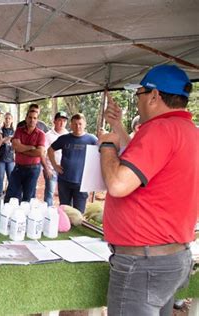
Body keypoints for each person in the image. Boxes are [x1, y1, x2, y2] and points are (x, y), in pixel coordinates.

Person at [100, 65, 197, 315]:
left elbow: (118, 184)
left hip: (143, 262)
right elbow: (148, 165)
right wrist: (119, 127)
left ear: (154, 96)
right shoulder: (189, 132)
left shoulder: (159, 130)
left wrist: (108, 147)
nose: (138, 101)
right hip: (171, 256)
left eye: (139, 94)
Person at [47, 113, 97, 212]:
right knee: (65, 210)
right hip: (64, 181)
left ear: (85, 124)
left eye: (80, 124)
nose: (77, 126)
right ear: (71, 125)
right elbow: (50, 150)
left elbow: (103, 150)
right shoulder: (64, 138)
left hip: (82, 182)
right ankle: (65, 227)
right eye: (75, 124)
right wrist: (54, 165)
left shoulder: (91, 139)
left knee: (79, 212)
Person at [4, 110, 46, 203]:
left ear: (37, 120)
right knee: (11, 196)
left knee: (28, 197)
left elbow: (40, 153)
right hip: (18, 168)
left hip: (33, 170)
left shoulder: (41, 134)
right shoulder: (19, 130)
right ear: (26, 118)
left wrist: (21, 150)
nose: (32, 120)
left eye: (34, 118)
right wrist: (31, 147)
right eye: (30, 117)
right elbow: (15, 146)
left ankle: (25, 217)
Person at [43, 111, 69, 206]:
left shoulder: (69, 135)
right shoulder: (48, 135)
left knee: (64, 194)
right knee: (50, 193)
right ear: (54, 121)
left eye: (64, 121)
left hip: (64, 170)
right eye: (59, 120)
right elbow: (44, 153)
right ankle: (47, 214)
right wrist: (47, 169)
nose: (62, 123)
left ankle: (62, 216)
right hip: (51, 170)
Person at [0, 112, 15, 197]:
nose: (7, 120)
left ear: (12, 120)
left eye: (9, 118)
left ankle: (9, 194)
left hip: (10, 158)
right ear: (4, 120)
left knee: (11, 178)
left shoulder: (14, 132)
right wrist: (4, 139)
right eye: (6, 118)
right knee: (0, 177)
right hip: (0, 157)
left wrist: (10, 140)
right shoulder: (0, 130)